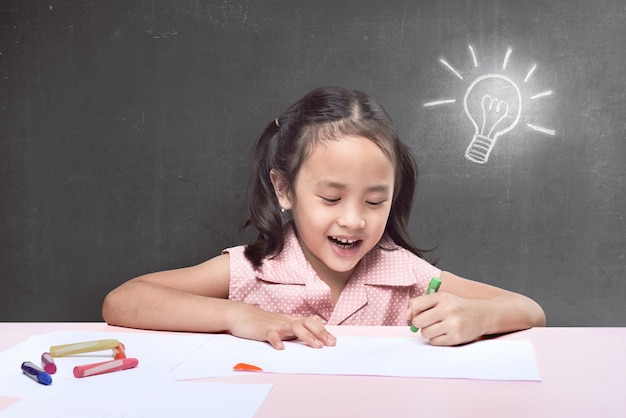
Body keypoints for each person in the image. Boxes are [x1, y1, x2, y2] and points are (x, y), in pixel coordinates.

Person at [102, 86, 545, 350]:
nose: (353, 221)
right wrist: (237, 316)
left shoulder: (405, 272)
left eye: (375, 202)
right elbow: (123, 301)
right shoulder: (253, 269)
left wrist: (478, 318)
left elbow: (531, 311)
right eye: (331, 198)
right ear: (283, 189)